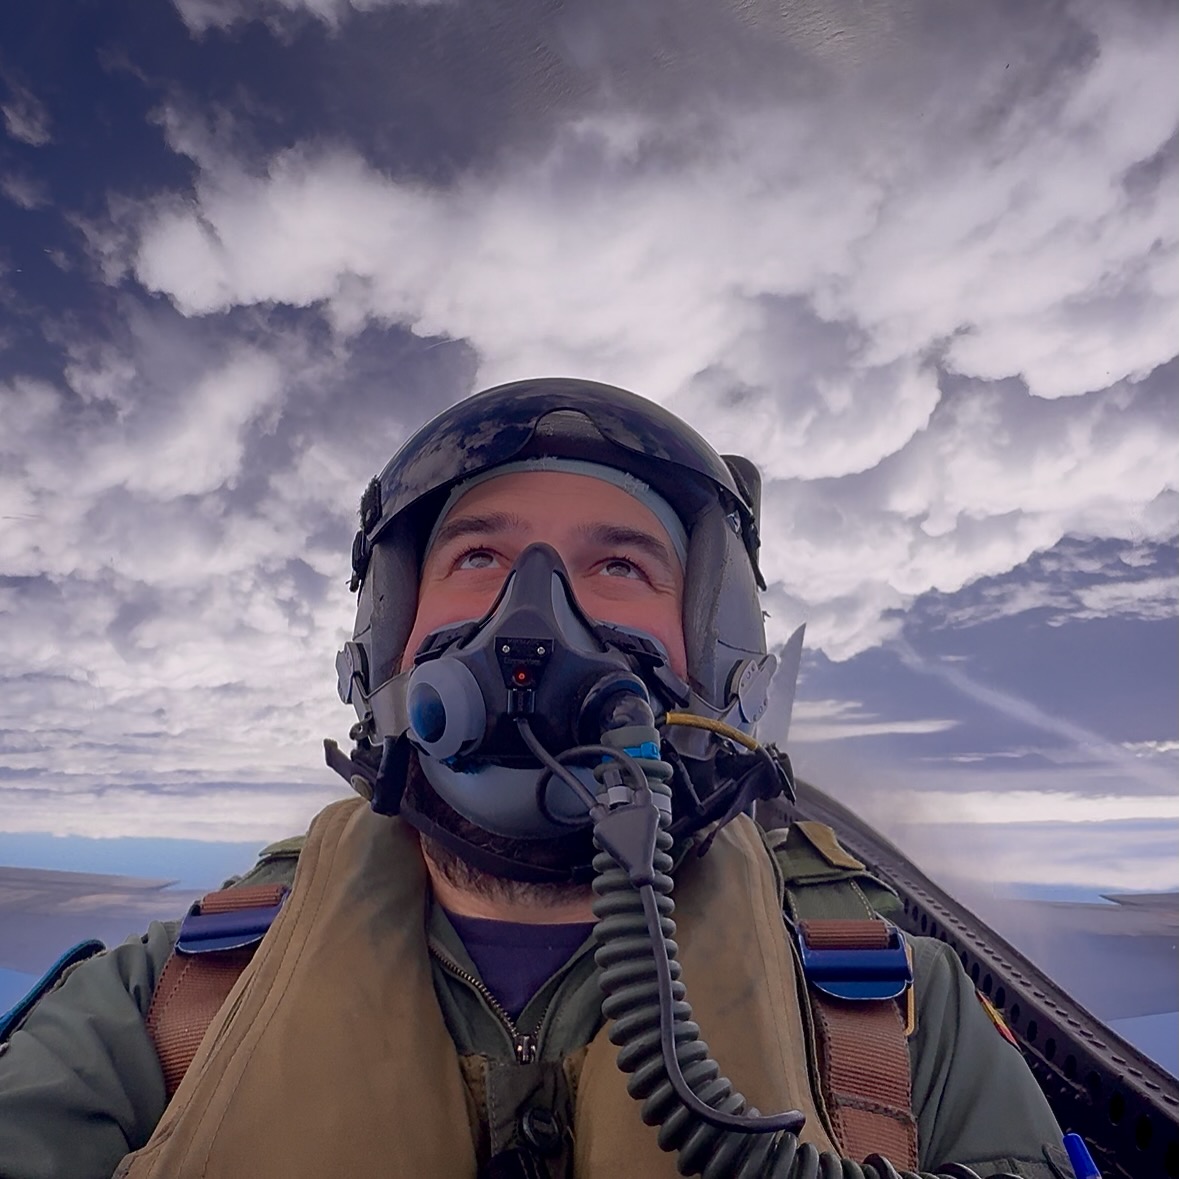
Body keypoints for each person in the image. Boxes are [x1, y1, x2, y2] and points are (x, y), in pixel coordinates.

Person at [0, 380, 1066, 1179]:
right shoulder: (170, 1002)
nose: (536, 610)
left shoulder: (900, 1013)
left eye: (618, 564)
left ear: (714, 653)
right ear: (386, 645)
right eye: (477, 556)